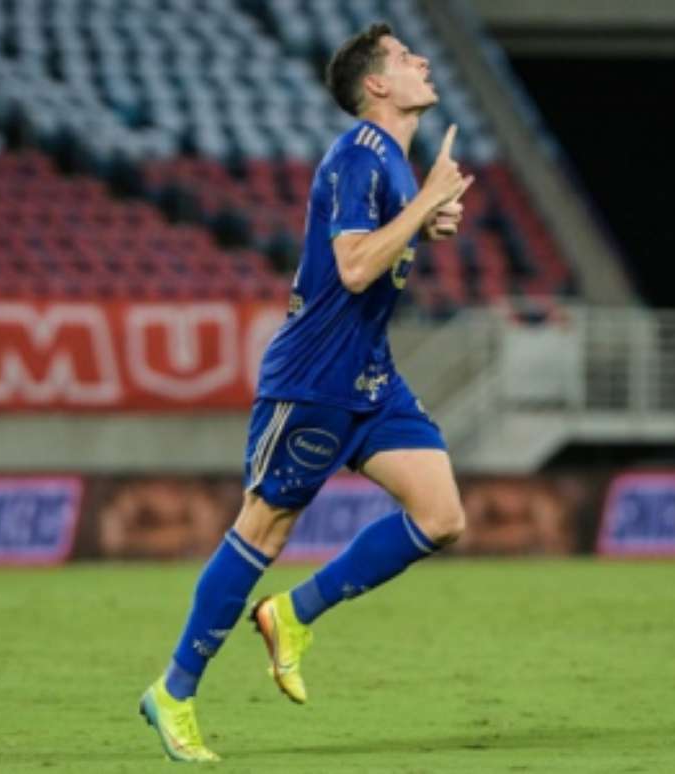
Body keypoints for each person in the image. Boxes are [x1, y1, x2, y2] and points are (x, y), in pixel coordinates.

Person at [140, 22, 474, 763]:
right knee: (263, 531)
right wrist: (424, 211)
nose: (422, 59)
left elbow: (382, 245)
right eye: (404, 57)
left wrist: (427, 216)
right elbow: (354, 268)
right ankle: (174, 691)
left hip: (370, 376)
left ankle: (293, 613)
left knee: (442, 514)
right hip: (316, 376)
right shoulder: (359, 153)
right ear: (377, 86)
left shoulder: (393, 162)